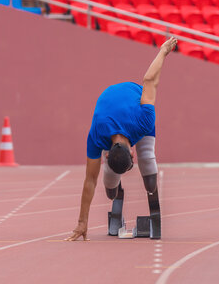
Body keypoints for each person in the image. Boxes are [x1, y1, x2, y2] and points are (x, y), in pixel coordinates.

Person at [65, 37, 177, 241]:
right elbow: (90, 181)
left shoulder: (143, 120)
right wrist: (162, 51)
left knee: (148, 156)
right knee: (112, 175)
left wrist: (163, 51)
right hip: (111, 103)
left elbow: (148, 82)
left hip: (133, 100)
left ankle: (147, 198)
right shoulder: (97, 134)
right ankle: (114, 191)